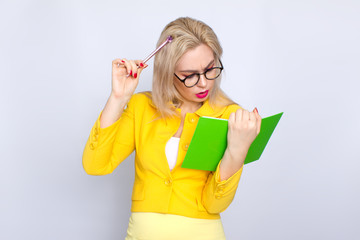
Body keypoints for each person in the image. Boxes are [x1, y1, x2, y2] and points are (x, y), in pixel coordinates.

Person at [82, 17, 261, 240]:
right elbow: (95, 165)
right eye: (190, 76)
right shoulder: (142, 107)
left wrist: (238, 150)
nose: (204, 83)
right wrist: (118, 98)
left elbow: (215, 204)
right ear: (168, 73)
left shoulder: (230, 116)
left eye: (210, 69)